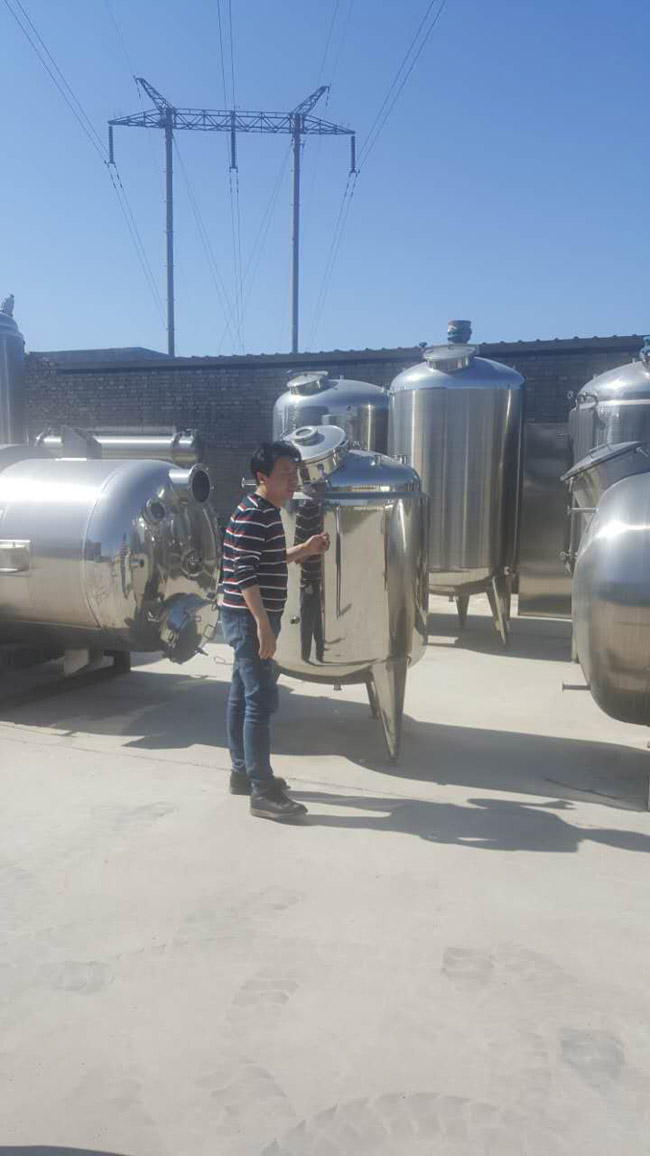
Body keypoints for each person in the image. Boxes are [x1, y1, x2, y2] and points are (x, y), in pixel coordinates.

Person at [219, 441, 329, 821]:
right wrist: (264, 626)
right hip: (250, 619)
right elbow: (244, 573)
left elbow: (267, 559)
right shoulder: (255, 514)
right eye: (285, 474)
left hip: (248, 617)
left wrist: (305, 549)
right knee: (261, 699)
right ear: (262, 477)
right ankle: (262, 791)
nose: (292, 481)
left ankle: (242, 773)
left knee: (241, 695)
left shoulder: (264, 511)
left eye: (295, 474)